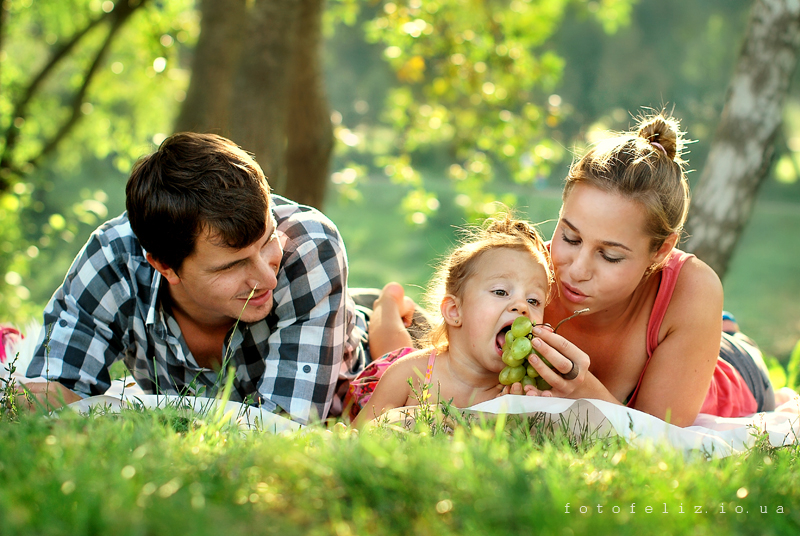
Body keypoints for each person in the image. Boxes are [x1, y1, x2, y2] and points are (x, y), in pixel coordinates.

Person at [372, 112, 795, 427]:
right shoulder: (531, 271)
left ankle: (727, 333)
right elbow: (438, 362)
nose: (575, 269)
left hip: (728, 374)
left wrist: (583, 390)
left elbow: (657, 442)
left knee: (729, 345)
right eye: (570, 236)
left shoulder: (693, 286)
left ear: (660, 252)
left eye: (610, 256)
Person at [22, 132, 367, 424]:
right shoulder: (113, 261)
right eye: (231, 266)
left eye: (267, 241)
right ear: (163, 266)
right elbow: (48, 399)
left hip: (349, 353)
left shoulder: (309, 245)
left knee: (392, 321)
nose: (266, 278)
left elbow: (284, 426)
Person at [350, 214, 580, 428]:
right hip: (391, 371)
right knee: (392, 344)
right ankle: (389, 301)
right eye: (501, 292)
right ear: (454, 311)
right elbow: (356, 435)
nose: (522, 306)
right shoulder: (407, 374)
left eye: (533, 300)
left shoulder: (517, 393)